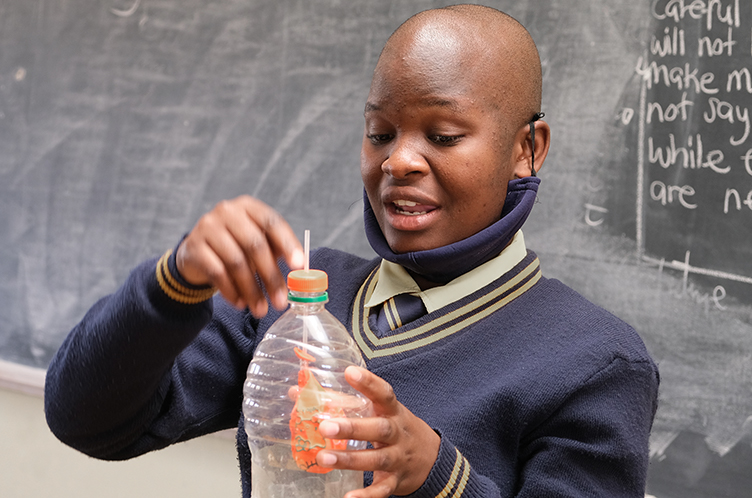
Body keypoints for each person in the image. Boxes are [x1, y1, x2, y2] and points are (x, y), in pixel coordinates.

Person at [45, 4, 659, 498]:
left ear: (527, 149)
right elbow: (86, 419)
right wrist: (172, 283)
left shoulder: (596, 362)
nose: (398, 160)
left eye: (443, 135)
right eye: (379, 134)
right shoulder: (295, 295)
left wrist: (440, 478)